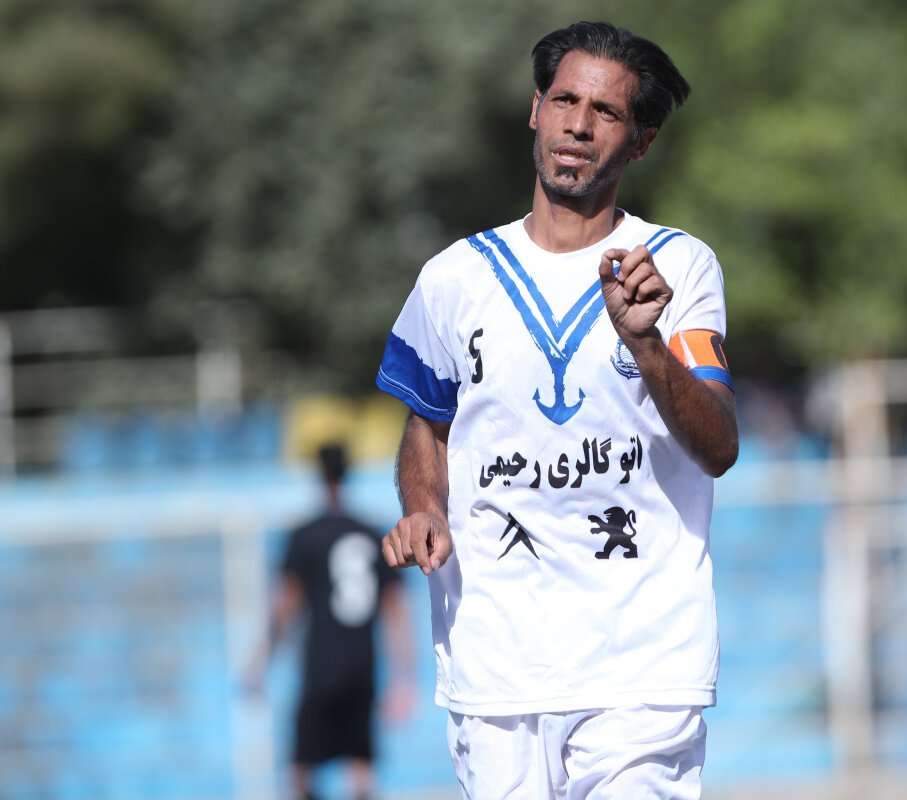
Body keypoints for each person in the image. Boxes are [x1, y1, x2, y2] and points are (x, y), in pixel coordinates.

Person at [375, 20, 738, 799]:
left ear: (639, 143)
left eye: (606, 112)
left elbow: (719, 446)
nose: (579, 125)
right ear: (536, 109)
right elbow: (427, 425)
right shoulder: (453, 278)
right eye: (565, 100)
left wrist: (647, 346)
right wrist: (424, 507)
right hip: (496, 660)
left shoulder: (677, 267)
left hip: (644, 662)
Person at [245, 443, 414, 800]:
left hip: (320, 664)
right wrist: (403, 678)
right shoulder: (371, 533)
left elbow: (285, 605)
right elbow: (395, 608)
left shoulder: (305, 535)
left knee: (301, 770)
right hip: (362, 664)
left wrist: (259, 663)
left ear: (320, 476)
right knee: (361, 768)